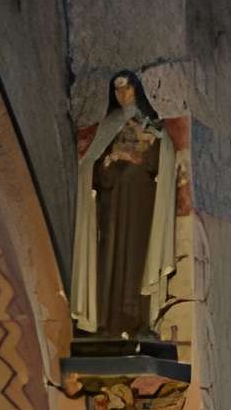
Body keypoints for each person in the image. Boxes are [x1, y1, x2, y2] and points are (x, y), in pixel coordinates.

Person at [69, 69, 182, 339]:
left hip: (140, 206)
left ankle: (139, 323)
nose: (122, 94)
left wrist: (139, 157)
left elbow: (161, 161)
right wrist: (108, 162)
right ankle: (105, 324)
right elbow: (91, 169)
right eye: (117, 89)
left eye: (127, 88)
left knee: (136, 261)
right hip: (111, 207)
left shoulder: (152, 125)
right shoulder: (108, 126)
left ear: (137, 90)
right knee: (108, 262)